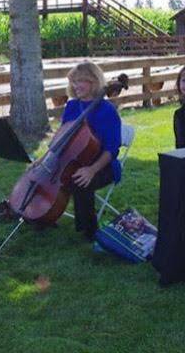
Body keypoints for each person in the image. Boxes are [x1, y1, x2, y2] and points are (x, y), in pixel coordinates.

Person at [60, 62, 122, 240]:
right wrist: (44, 161)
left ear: (94, 82)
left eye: (81, 81)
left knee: (80, 180)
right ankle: (41, 216)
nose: (75, 85)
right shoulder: (72, 106)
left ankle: (90, 230)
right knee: (46, 175)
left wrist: (91, 170)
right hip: (73, 160)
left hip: (104, 164)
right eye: (73, 81)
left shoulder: (107, 110)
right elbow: (62, 137)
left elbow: (111, 149)